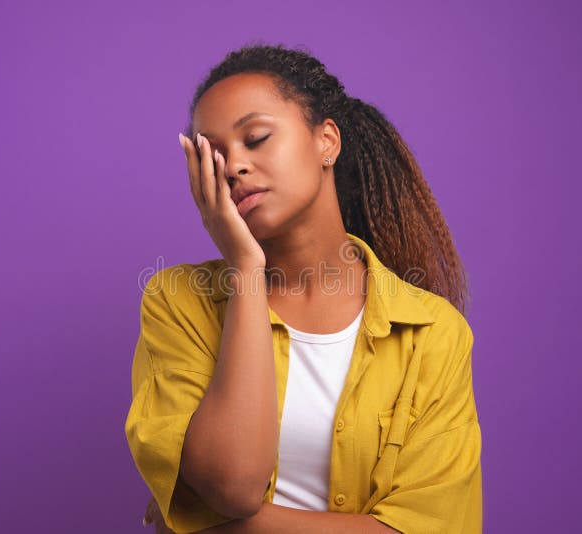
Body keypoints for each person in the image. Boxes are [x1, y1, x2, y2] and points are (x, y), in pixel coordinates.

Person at [125, 42, 481, 534]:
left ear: (326, 142)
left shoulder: (433, 333)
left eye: (256, 138)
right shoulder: (178, 302)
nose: (232, 167)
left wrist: (209, 524)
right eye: (214, 156)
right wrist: (247, 269)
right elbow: (232, 485)